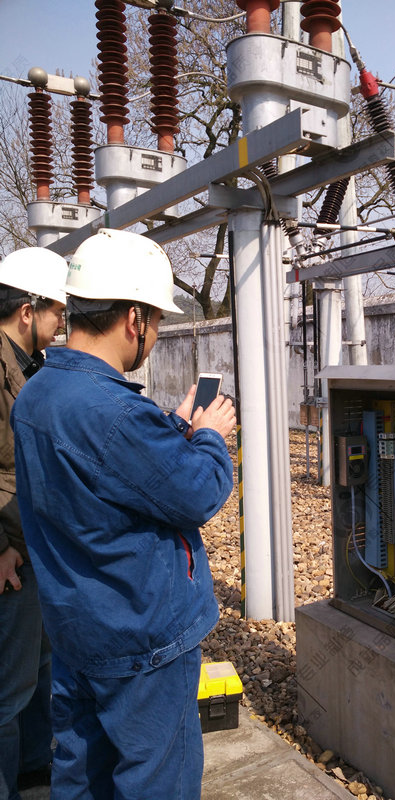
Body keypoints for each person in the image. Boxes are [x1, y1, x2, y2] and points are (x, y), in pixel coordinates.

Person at [11, 228, 236, 800]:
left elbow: (107, 476)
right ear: (135, 319)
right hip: (142, 640)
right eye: (156, 321)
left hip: (75, 629)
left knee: (81, 777)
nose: (154, 335)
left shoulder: (36, 393)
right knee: (156, 781)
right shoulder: (114, 413)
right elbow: (200, 492)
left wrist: (170, 428)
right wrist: (209, 436)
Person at [0, 246, 69, 800]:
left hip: (33, 543)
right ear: (28, 310)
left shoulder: (31, 365)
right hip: (10, 551)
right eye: (56, 312)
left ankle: (33, 770)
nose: (62, 323)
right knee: (9, 686)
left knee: (40, 665)